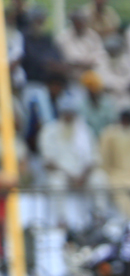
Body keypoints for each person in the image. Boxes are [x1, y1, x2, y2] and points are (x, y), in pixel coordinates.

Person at [38, 91, 109, 229]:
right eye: (66, 113)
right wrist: (70, 176)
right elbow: (48, 161)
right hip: (62, 173)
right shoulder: (50, 130)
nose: (69, 116)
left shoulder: (85, 131)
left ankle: (100, 216)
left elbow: (94, 158)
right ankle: (61, 220)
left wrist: (83, 175)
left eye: (71, 113)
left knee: (100, 178)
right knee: (56, 183)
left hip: (82, 174)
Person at [56, 8, 108, 77]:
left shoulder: (93, 36)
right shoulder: (63, 37)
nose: (80, 24)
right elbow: (66, 57)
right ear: (72, 22)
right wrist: (79, 63)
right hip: (71, 75)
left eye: (82, 21)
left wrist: (88, 62)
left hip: (92, 74)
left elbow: (100, 55)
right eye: (77, 21)